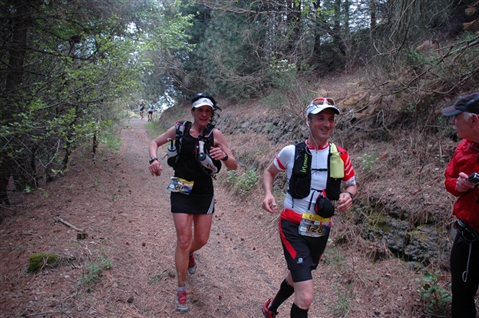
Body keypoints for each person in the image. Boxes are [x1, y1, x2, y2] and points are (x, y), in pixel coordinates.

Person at [261, 97, 358, 318]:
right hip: (293, 227)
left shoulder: (340, 155)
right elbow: (269, 172)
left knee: (296, 277)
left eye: (331, 119)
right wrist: (268, 193)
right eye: (320, 118)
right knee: (305, 296)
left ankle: (271, 308)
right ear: (308, 120)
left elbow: (352, 185)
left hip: (320, 230)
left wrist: (348, 195)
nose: (327, 124)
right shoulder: (291, 152)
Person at [148, 92, 237, 312]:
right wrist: (153, 159)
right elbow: (155, 142)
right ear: (193, 112)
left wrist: (224, 157)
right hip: (180, 186)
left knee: (202, 239)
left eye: (208, 111)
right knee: (184, 239)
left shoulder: (215, 134)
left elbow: (234, 164)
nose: (204, 114)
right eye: (200, 111)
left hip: (204, 191)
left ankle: (188, 255)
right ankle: (181, 289)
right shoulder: (179, 130)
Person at [442, 92, 479, 318]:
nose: (453, 122)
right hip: (468, 239)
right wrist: (460, 185)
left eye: (457, 117)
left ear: (474, 120)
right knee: (462, 296)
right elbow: (449, 180)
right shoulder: (463, 148)